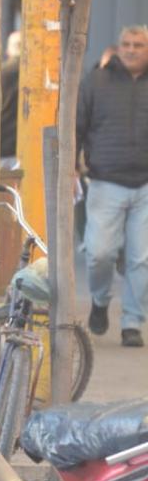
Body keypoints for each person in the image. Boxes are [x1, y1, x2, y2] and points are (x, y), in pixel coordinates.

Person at [78, 24, 148, 348]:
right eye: (126, 44)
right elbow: (78, 123)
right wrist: (70, 168)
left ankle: (132, 322)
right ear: (118, 47)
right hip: (105, 182)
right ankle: (100, 299)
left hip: (145, 186)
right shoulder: (97, 80)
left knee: (140, 259)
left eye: (138, 44)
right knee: (99, 254)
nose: (131, 49)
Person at [0, 31, 21, 160]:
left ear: (8, 51)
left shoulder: (0, 73)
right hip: (29, 147)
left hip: (2, 144)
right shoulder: (38, 75)